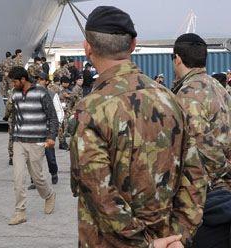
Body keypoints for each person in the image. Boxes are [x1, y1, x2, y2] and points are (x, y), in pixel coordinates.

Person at [70, 6, 205, 247]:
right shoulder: (170, 99)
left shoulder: (89, 110)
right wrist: (179, 236)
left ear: (87, 48)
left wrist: (145, 245)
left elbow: (99, 194)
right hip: (168, 239)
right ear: (133, 44)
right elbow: (195, 176)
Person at [171, 33, 231, 248]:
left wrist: (221, 171)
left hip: (204, 193)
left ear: (177, 59)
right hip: (222, 191)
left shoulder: (188, 94)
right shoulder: (218, 88)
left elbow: (200, 144)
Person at [7, 66, 58, 225]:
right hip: (19, 141)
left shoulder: (41, 92)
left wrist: (51, 137)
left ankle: (49, 195)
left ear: (23, 79)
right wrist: (13, 137)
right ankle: (20, 211)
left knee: (37, 177)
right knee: (18, 178)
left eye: (15, 81)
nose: (13, 84)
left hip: (37, 142)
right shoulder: (14, 94)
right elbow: (15, 116)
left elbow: (52, 117)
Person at [28, 72, 64, 190]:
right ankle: (34, 180)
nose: (39, 82)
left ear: (47, 82)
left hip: (48, 130)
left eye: (42, 80)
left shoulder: (52, 94)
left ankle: (53, 173)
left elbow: (59, 111)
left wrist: (56, 125)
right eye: (37, 79)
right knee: (34, 157)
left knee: (50, 156)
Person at [58, 76, 75, 150]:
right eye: (66, 83)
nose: (68, 84)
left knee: (65, 127)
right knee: (62, 127)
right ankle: (62, 142)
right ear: (63, 83)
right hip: (61, 111)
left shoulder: (67, 90)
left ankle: (63, 142)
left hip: (67, 111)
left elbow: (73, 97)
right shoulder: (59, 90)